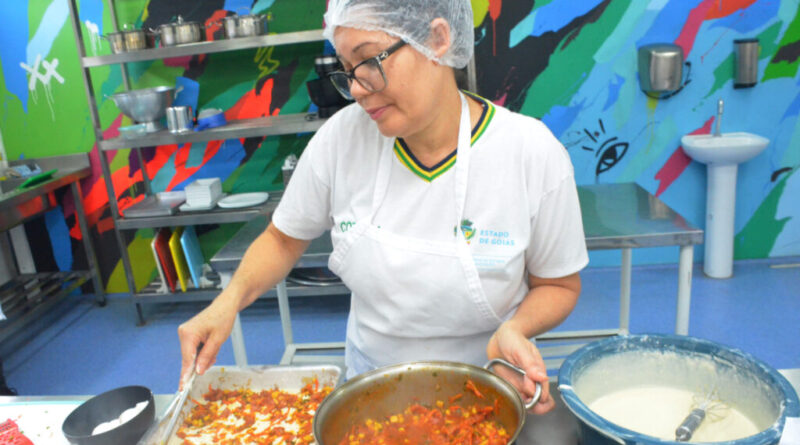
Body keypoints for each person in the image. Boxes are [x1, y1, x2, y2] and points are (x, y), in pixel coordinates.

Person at [178, 0, 588, 442]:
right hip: (370, 398)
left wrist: (515, 330)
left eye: (369, 60)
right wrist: (228, 301)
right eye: (347, 69)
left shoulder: (531, 153)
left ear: (437, 39)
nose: (355, 88)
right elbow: (282, 239)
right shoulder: (340, 140)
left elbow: (558, 285)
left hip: (489, 389)